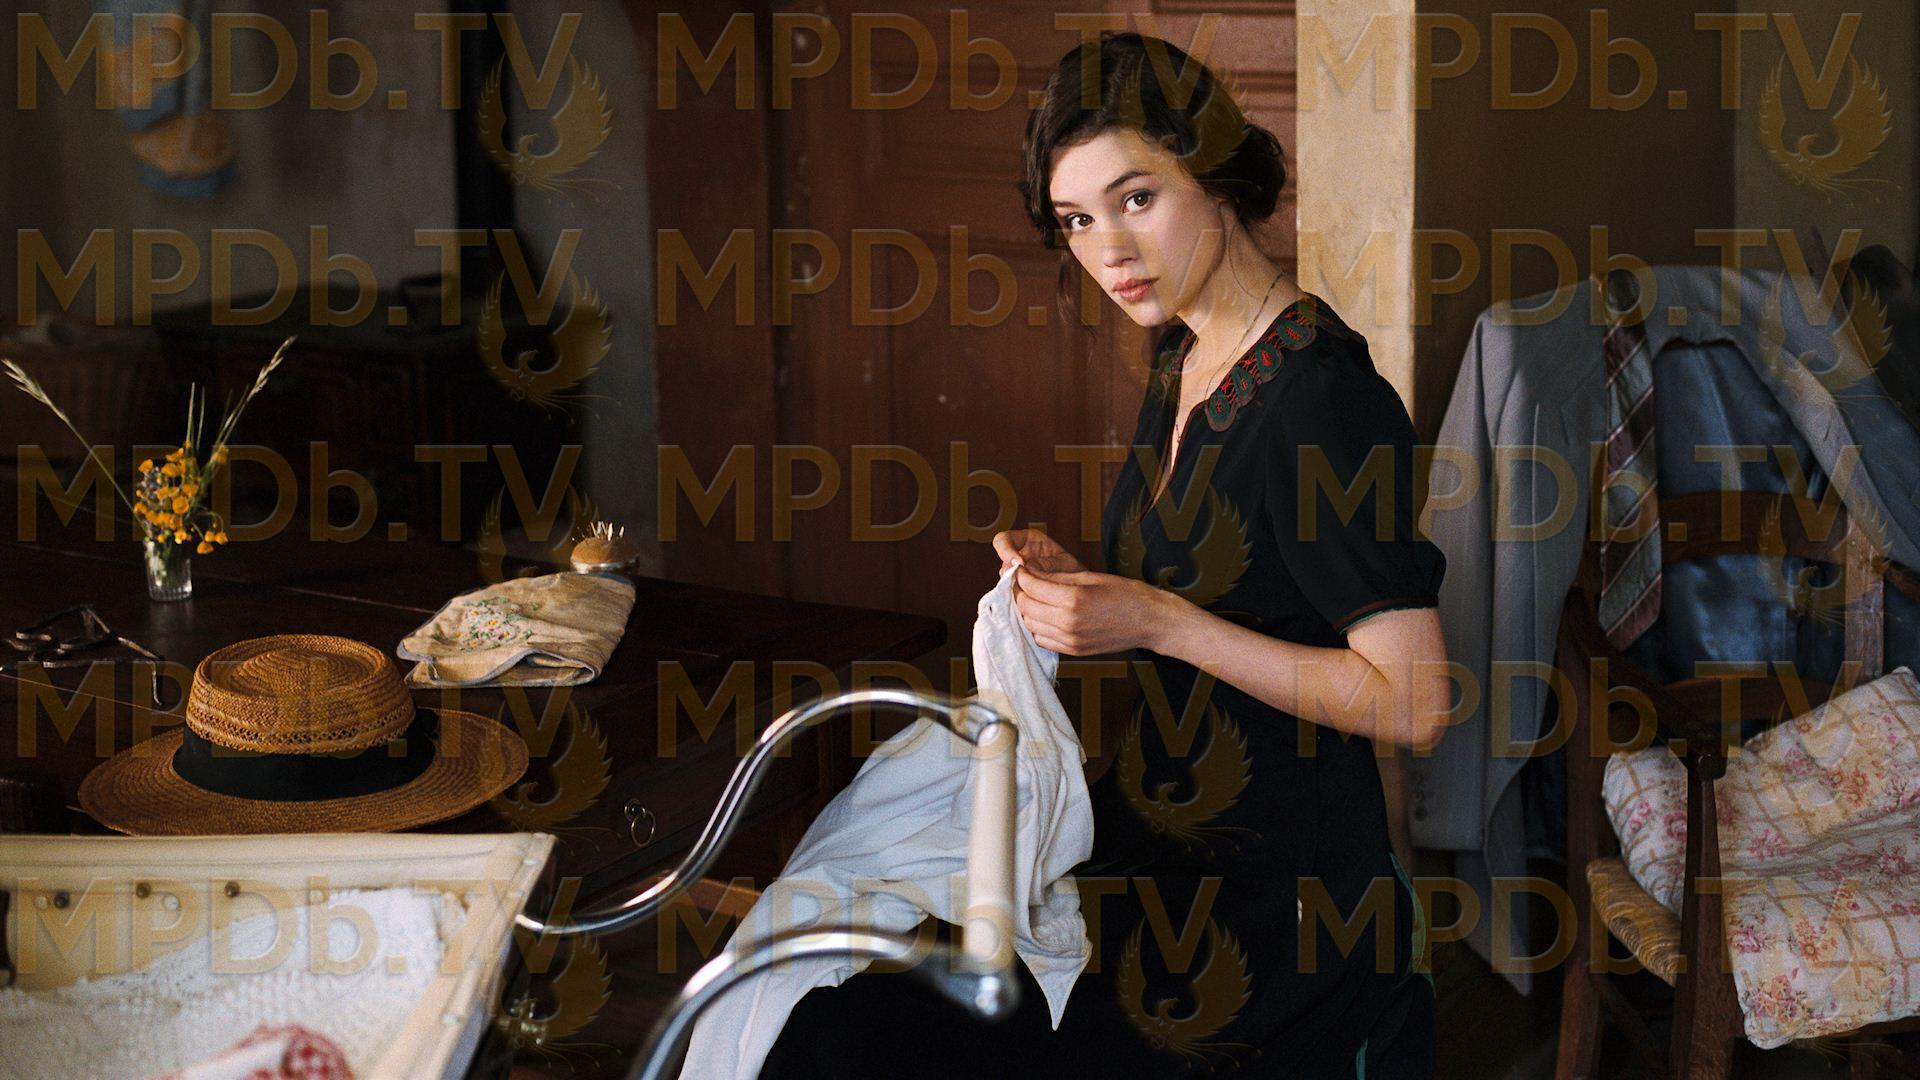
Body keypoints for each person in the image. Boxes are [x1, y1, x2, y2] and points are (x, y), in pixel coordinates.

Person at [761, 31, 1449, 1078]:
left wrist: (1158, 620)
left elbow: (1414, 702)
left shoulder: (1324, 400)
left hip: (1277, 912)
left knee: (849, 1041)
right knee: (821, 1005)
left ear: (1217, 175)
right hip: (1156, 853)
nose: (1110, 251)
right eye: (1078, 219)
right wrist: (1090, 592)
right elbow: (1242, 583)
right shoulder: (1187, 352)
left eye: (1137, 198)